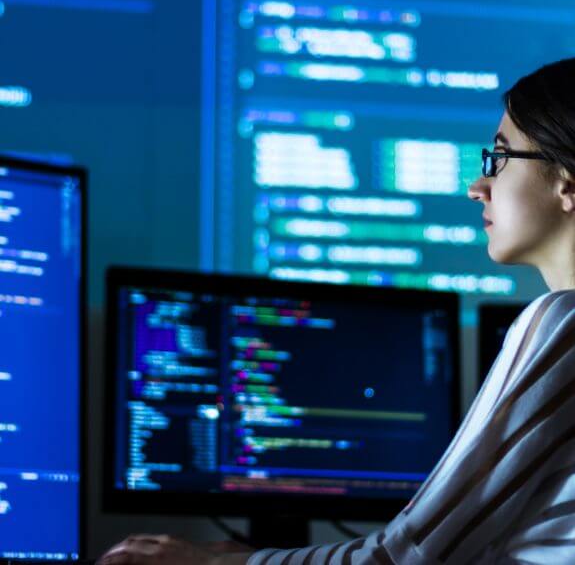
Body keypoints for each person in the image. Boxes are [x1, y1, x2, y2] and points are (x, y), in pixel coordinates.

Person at [98, 58, 575, 564]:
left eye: (498, 160)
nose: (476, 187)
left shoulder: (561, 321)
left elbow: (406, 558)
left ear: (567, 183)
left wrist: (213, 563)